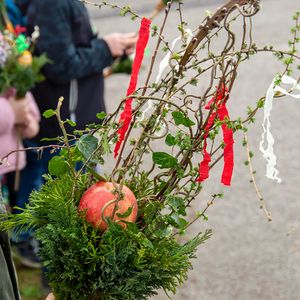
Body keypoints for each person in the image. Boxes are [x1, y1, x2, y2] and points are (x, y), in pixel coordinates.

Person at [7, 0, 137, 286]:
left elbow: (65, 47)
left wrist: (105, 48)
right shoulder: (52, 3)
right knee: (67, 204)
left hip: (73, 119)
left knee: (65, 195)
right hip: (67, 125)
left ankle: (50, 264)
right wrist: (105, 48)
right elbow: (60, 64)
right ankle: (54, 274)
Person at [0, 91, 40, 300]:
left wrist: (27, 116)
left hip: (8, 162)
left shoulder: (7, 59)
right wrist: (10, 112)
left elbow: (21, 93)